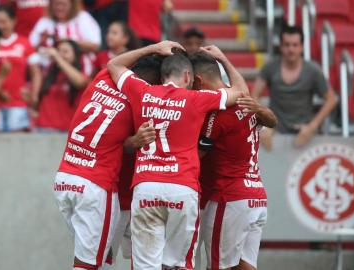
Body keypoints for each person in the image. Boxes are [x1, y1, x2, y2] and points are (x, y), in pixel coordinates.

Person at [107, 41, 243, 270]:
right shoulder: (197, 99)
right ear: (188, 76)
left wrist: (153, 48)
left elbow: (114, 64)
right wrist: (222, 59)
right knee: (180, 264)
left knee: (145, 265)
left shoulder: (143, 92)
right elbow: (240, 92)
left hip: (146, 187)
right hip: (182, 188)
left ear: (162, 77)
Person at [54, 55, 165, 270]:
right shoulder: (140, 101)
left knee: (96, 257)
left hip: (65, 179)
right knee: (88, 263)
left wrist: (154, 48)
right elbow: (125, 143)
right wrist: (136, 141)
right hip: (96, 186)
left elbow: (115, 62)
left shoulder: (102, 79)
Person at [192, 46, 277, 270]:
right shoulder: (244, 100)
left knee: (220, 266)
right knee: (245, 266)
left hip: (229, 198)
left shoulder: (217, 113)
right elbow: (271, 120)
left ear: (198, 81)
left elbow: (197, 156)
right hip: (256, 196)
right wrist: (223, 57)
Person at [252, 25, 337, 149]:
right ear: (281, 47)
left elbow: (331, 99)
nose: (291, 49)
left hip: (304, 133)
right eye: (287, 45)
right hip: (275, 132)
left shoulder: (313, 70)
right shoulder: (270, 67)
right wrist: (263, 124)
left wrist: (312, 126)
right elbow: (254, 96)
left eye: (295, 45)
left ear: (302, 47)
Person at [0, 5, 42, 132]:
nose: (0, 26)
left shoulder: (25, 43)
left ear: (13, 21)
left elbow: (36, 73)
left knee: (17, 144)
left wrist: (34, 95)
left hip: (18, 102)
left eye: (4, 22)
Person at [29, 0, 101, 75]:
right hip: (49, 74)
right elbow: (30, 48)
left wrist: (69, 41)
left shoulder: (83, 17)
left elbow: (95, 46)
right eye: (56, 4)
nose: (59, 7)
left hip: (81, 71)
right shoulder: (45, 21)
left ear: (72, 5)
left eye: (63, 4)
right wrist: (41, 42)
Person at [35, 39, 89, 132]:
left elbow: (80, 82)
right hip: (43, 128)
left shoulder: (80, 73)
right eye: (58, 51)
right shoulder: (49, 72)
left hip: (66, 130)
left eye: (65, 51)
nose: (60, 54)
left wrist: (57, 57)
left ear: (75, 55)